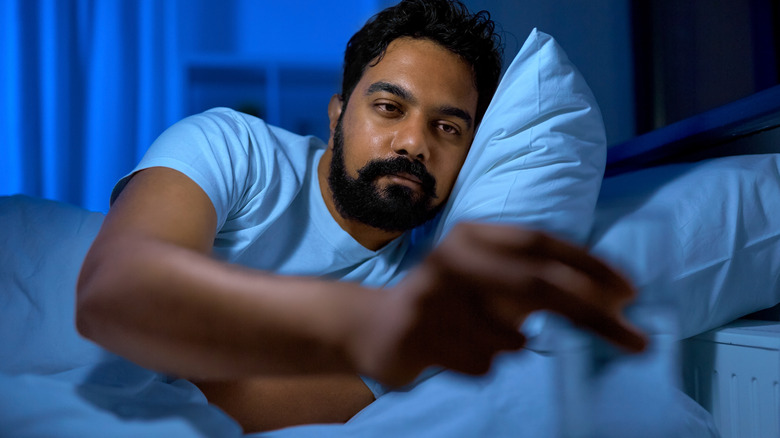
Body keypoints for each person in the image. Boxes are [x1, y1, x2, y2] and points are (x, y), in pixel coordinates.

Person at [76, 0, 646, 433]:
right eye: (389, 107)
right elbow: (114, 290)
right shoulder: (234, 146)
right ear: (337, 114)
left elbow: (241, 412)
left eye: (447, 128)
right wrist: (365, 321)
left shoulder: (427, 287)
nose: (413, 143)